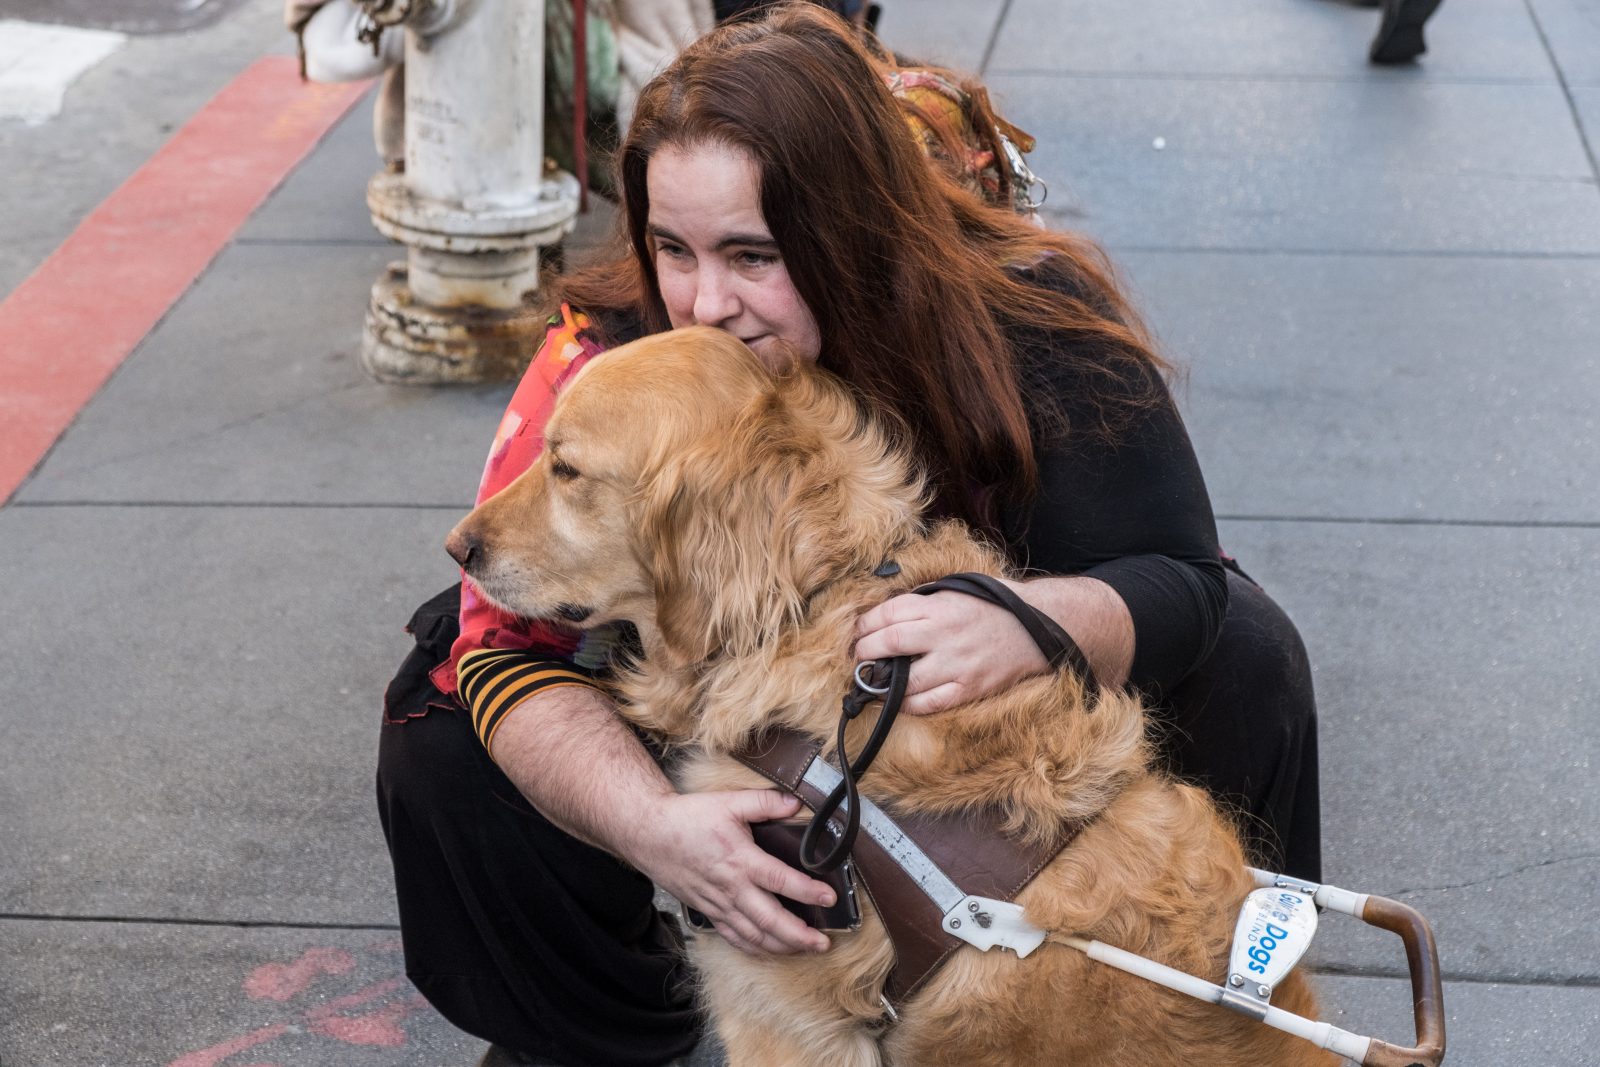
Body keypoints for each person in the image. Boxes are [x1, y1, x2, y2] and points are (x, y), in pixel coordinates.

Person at [375, 6, 1321, 1065]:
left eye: (753, 253)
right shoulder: (614, 344)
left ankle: (1208, 1002)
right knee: (440, 732)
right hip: (714, 687)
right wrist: (656, 828)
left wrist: (1035, 620)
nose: (705, 301)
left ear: (850, 235)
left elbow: (1184, 576)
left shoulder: (1022, 311)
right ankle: (610, 1037)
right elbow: (494, 639)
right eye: (670, 247)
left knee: (1247, 650)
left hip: (974, 707)